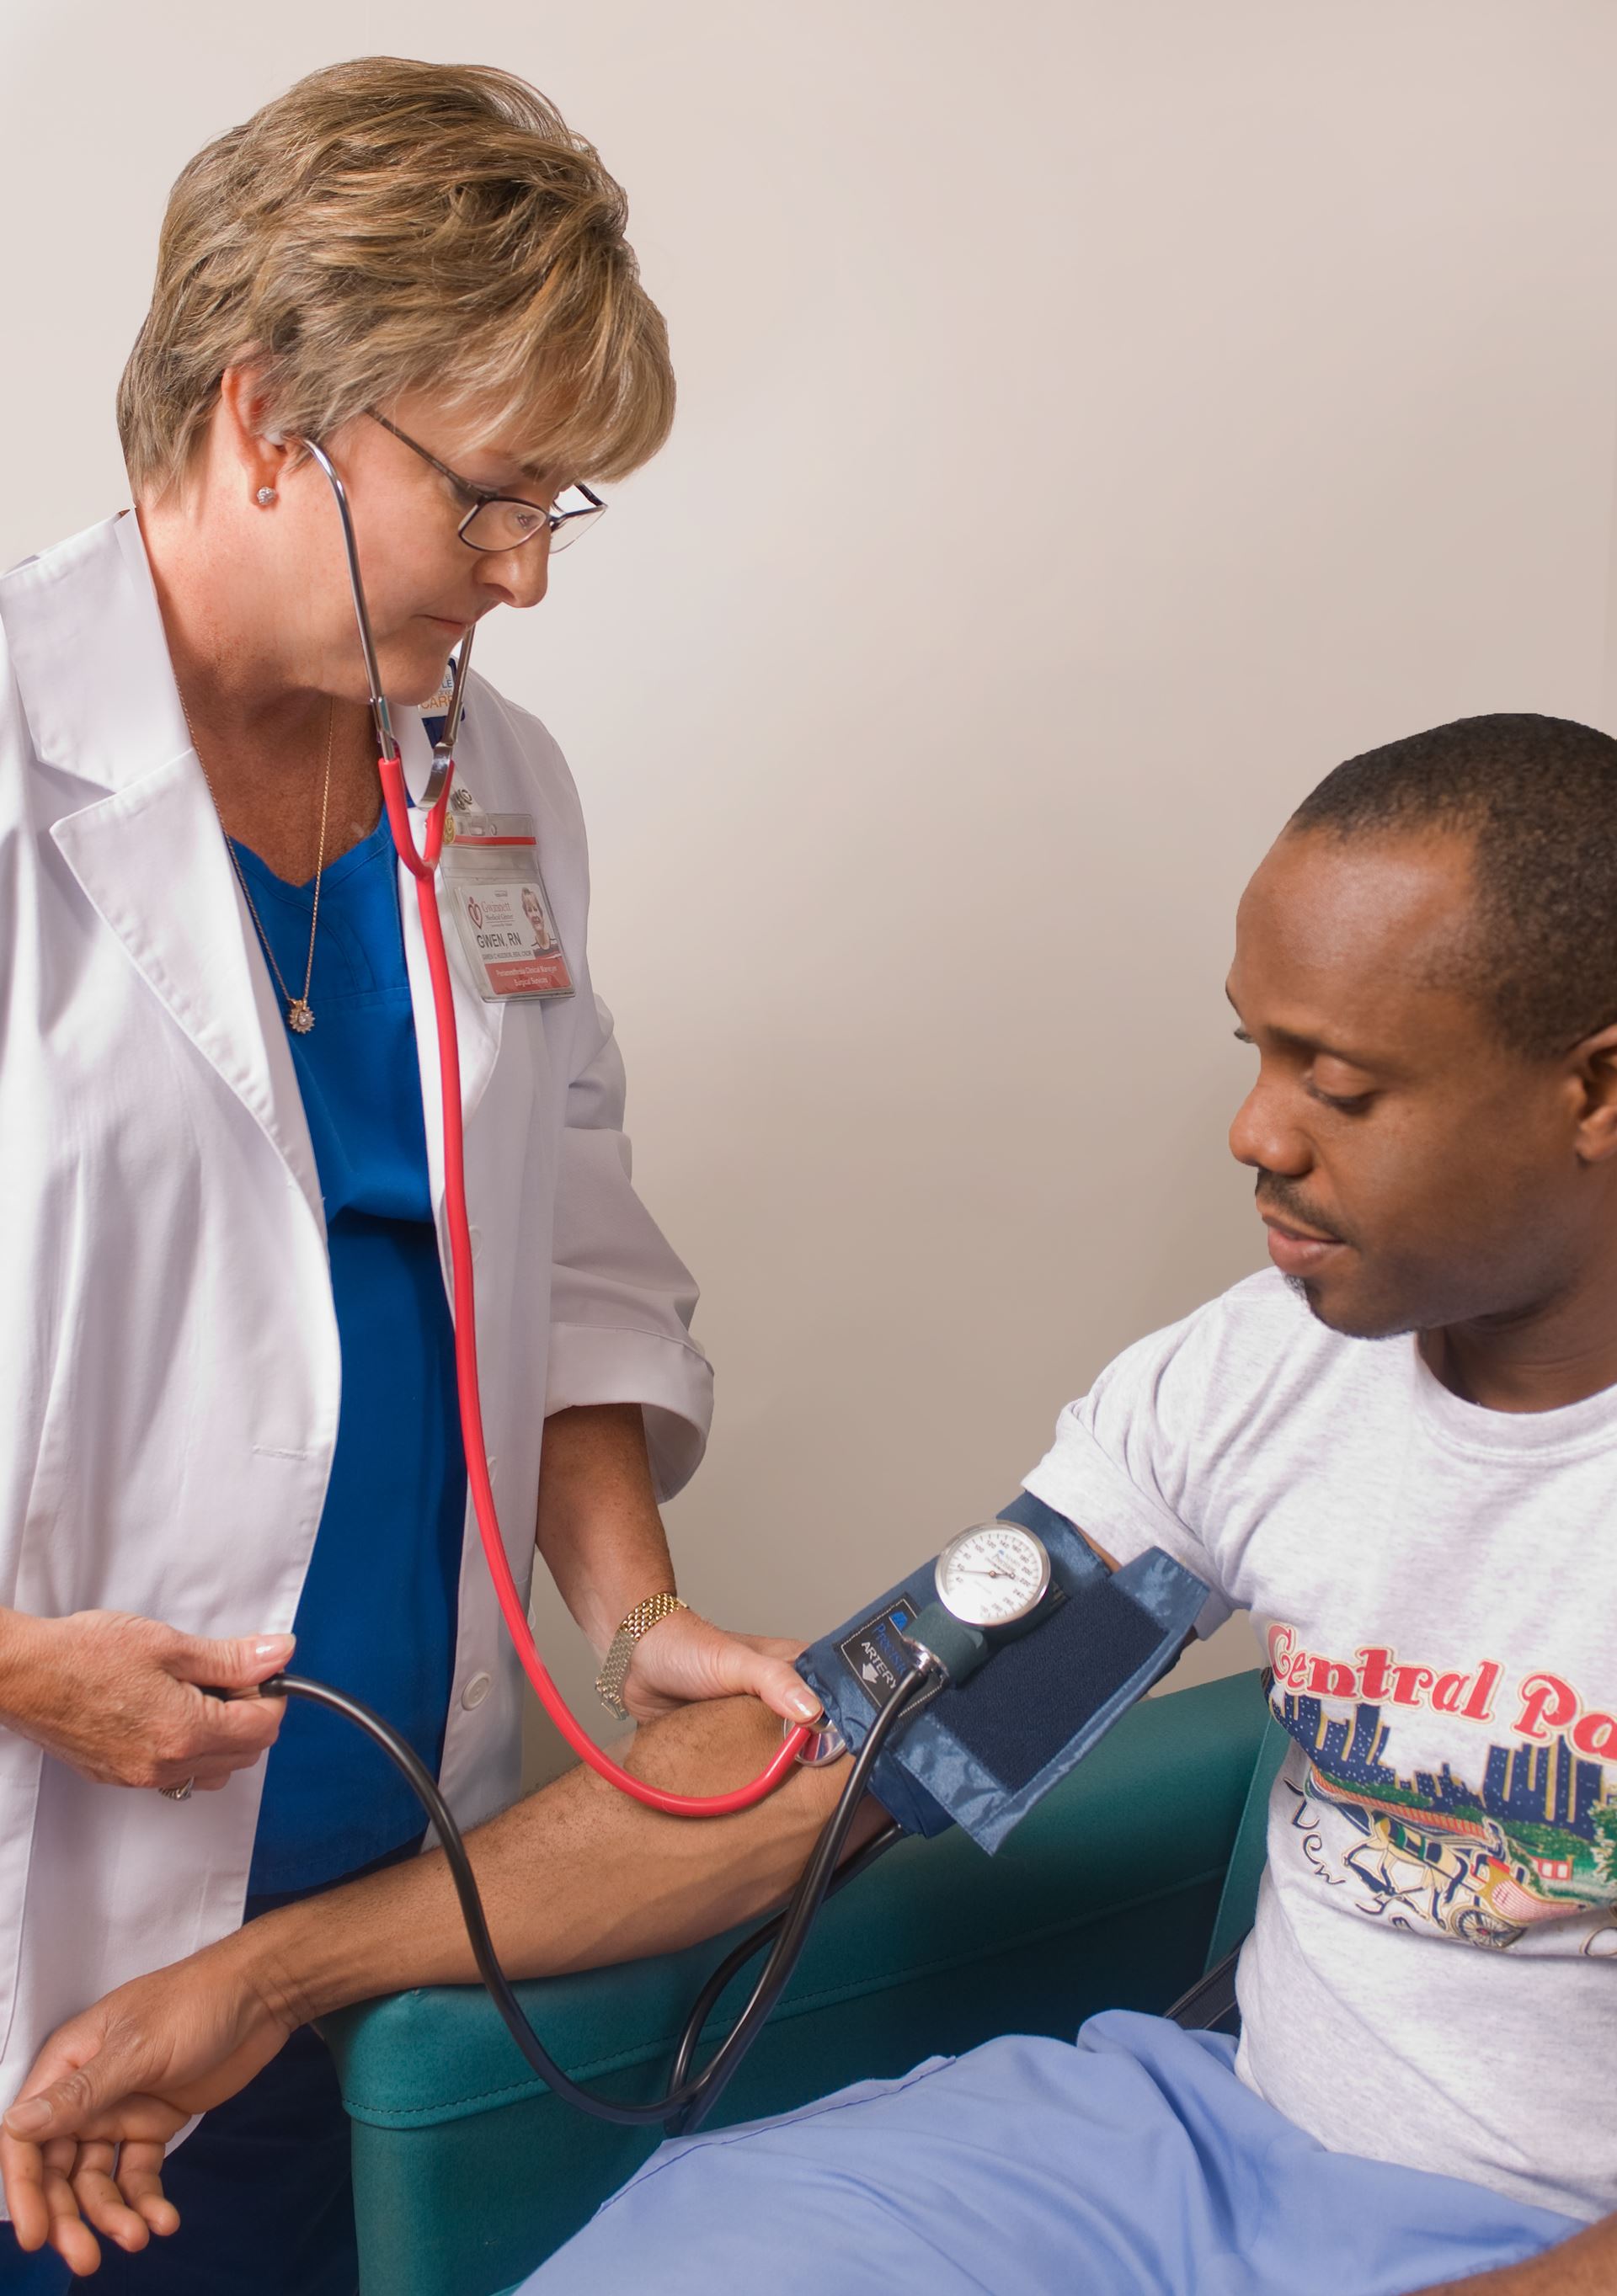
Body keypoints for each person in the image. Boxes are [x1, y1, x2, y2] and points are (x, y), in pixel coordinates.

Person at [9, 710, 1617, 2295]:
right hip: (1207, 2143)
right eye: (1254, 1053)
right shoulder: (1262, 1379)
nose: (1254, 1133)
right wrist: (263, 1979)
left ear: (1594, 1089)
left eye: (1336, 1086)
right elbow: (865, 1751)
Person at [0, 56, 822, 2293]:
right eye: (490, 494)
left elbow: (571, 1267)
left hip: (358, 1918)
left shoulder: (498, 784)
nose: (529, 573)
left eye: (568, 505)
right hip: (37, 1870)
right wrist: (15, 1669)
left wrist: (635, 1622)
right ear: (270, 418)